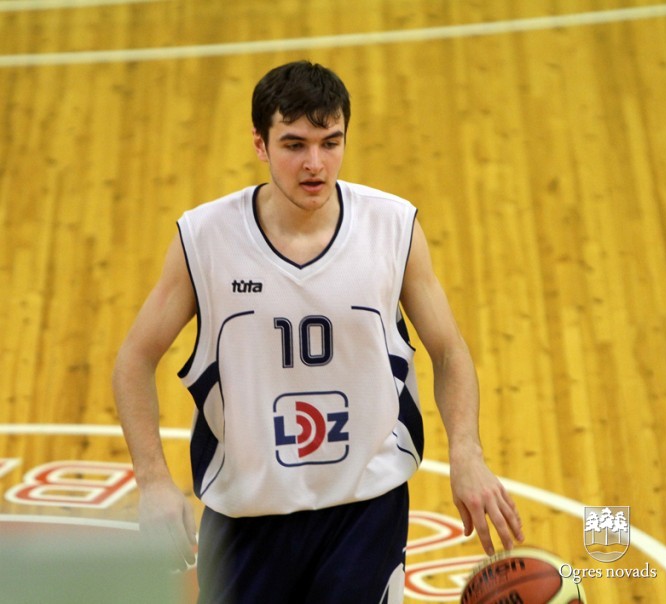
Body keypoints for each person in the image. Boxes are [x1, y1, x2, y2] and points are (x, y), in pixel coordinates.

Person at [113, 60, 524, 603]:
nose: (315, 164)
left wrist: (467, 453)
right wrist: (152, 481)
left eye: (331, 143)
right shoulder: (205, 239)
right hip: (246, 518)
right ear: (259, 144)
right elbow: (134, 360)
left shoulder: (392, 227)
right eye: (294, 145)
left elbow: (449, 351)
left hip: (365, 511)